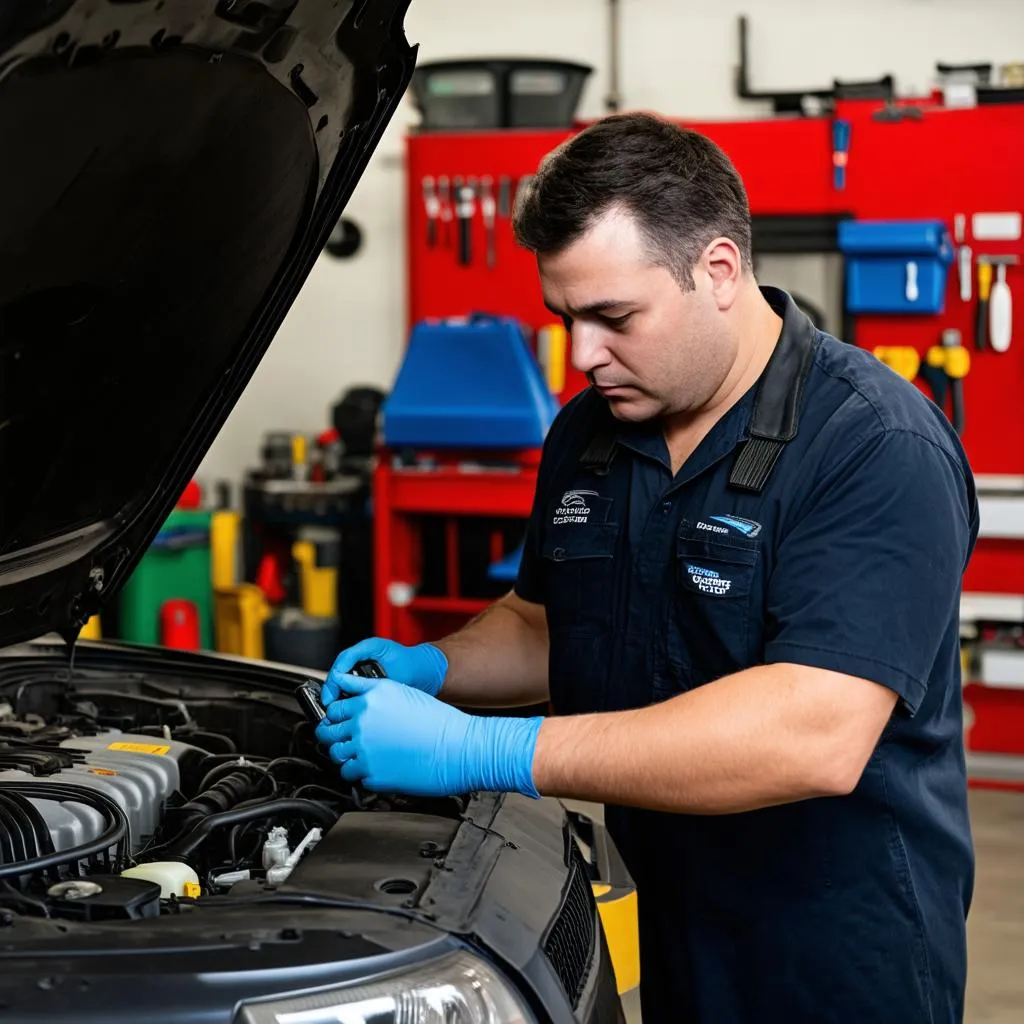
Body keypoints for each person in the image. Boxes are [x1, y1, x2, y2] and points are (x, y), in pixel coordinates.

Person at [315, 112, 979, 1023]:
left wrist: (482, 749)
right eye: (566, 318)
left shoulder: (874, 444)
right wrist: (435, 667)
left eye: (612, 317)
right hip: (671, 914)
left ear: (716, 271)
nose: (581, 354)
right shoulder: (591, 431)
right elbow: (547, 621)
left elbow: (814, 733)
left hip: (834, 949)